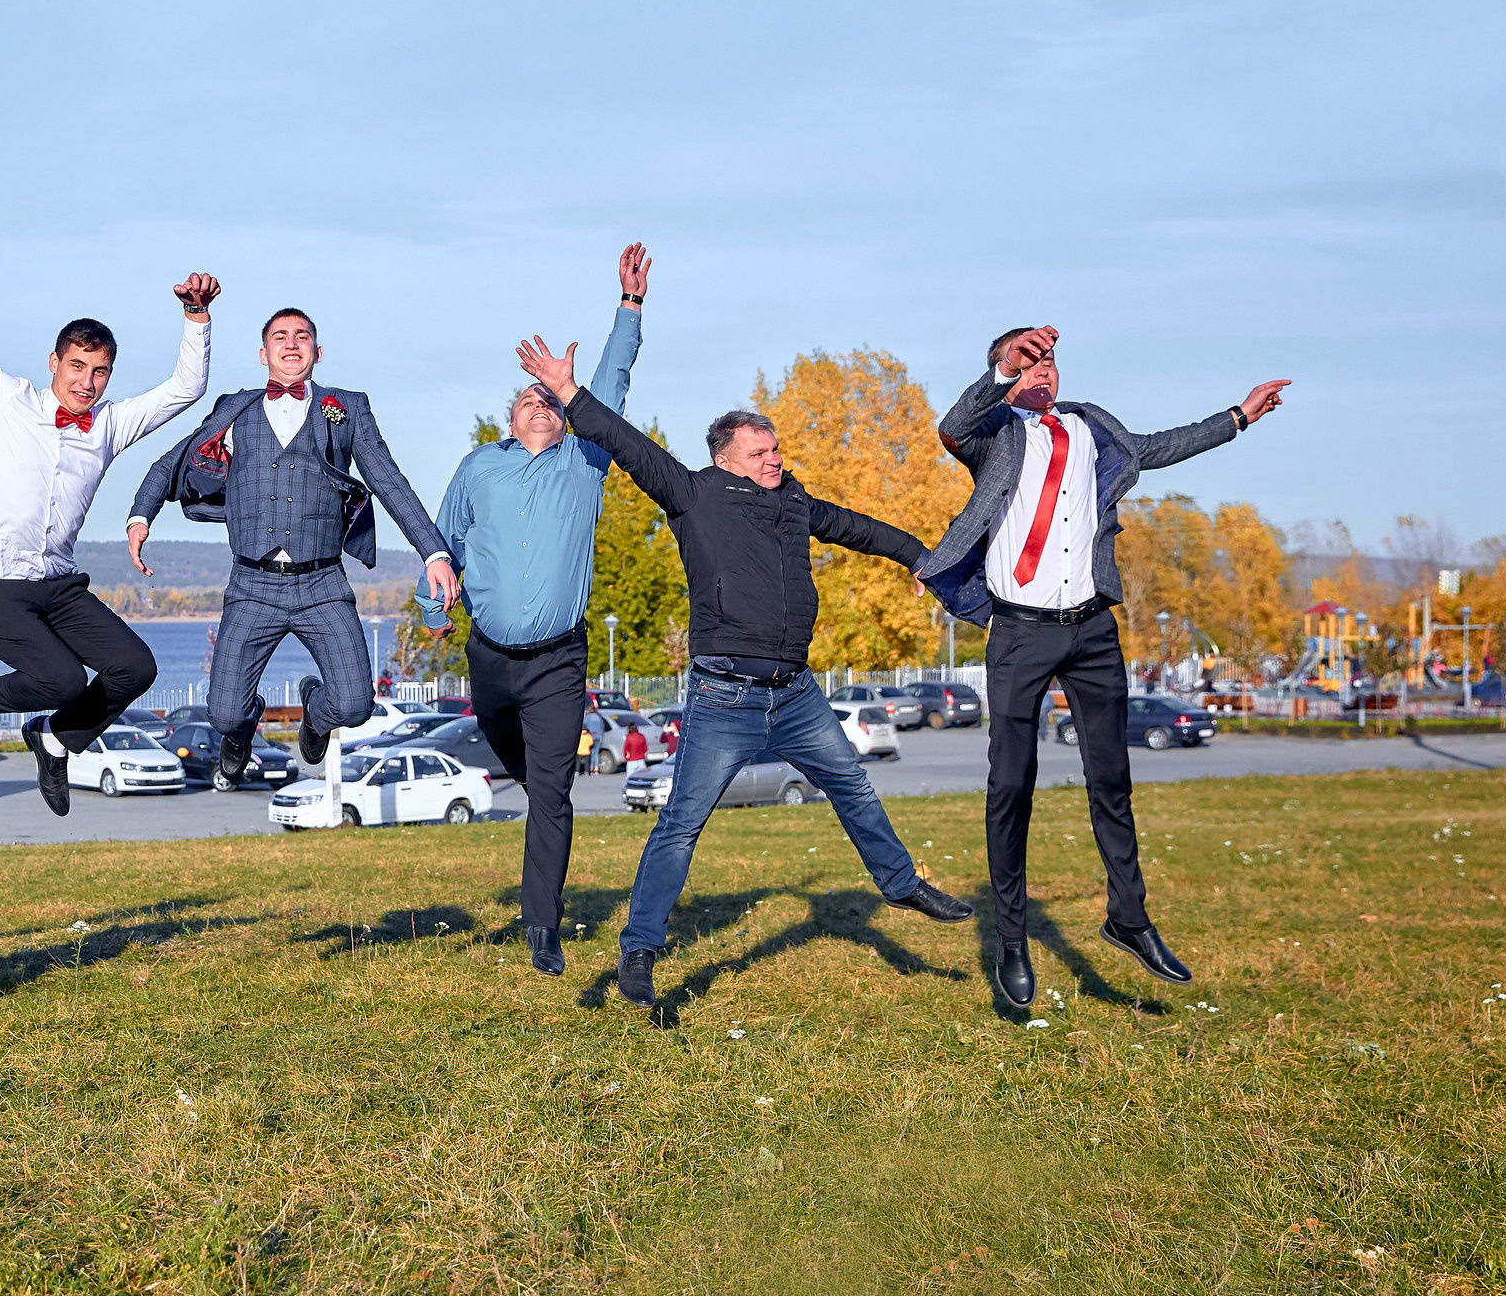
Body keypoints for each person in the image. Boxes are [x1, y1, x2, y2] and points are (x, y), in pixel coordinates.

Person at [517, 337, 973, 1011]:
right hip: (723, 695)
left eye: (777, 449)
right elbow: (628, 442)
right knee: (681, 823)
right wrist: (571, 391)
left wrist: (917, 555)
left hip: (794, 693)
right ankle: (639, 950)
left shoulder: (794, 501)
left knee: (852, 785)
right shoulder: (693, 494)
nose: (775, 459)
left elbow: (856, 527)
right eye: (760, 452)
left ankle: (902, 884)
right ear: (725, 457)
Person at [917, 326, 1290, 1006]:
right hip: (1020, 631)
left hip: (1091, 628)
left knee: (1111, 779)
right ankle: (1012, 940)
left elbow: (1161, 446)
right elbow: (952, 426)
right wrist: (1004, 370)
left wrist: (1239, 416)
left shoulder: (1094, 427)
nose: (1043, 372)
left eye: (1048, 361)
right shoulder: (994, 434)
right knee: (1011, 786)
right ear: (1006, 370)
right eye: (1029, 363)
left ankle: (1129, 916)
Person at [0, 230, 219, 817]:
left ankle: (55, 740)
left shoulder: (110, 426)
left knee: (135, 668)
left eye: (99, 372)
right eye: (76, 366)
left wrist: (196, 317)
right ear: (54, 363)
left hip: (59, 587)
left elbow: (186, 389)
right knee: (66, 679)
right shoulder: (6, 399)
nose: (85, 381)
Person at [432, 243, 650, 976]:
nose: (540, 403)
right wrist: (437, 614)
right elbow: (444, 544)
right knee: (524, 766)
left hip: (559, 658)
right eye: (529, 396)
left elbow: (612, 387)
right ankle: (544, 792)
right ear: (512, 412)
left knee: (551, 794)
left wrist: (628, 308)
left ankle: (543, 928)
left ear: (563, 420)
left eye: (551, 401)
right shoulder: (478, 467)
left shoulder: (584, 464)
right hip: (490, 659)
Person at [129, 308, 459, 788]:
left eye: (302, 336)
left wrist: (434, 554)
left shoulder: (347, 408)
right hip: (251, 586)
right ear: (263, 353)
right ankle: (242, 727)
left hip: (323, 583)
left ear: (317, 352)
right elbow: (167, 463)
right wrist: (141, 517)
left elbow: (389, 482)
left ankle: (314, 713)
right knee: (223, 715)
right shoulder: (234, 408)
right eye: (279, 337)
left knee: (354, 704)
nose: (291, 343)